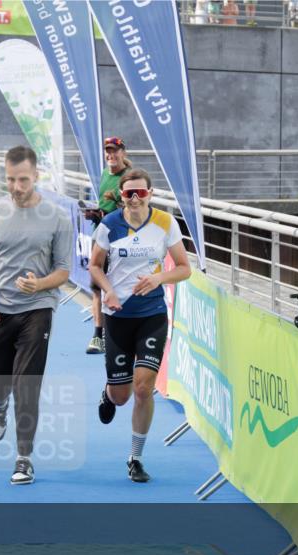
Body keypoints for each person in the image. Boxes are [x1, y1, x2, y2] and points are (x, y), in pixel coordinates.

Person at [0, 146, 73, 485]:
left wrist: (39, 284)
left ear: (36, 176)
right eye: (10, 179)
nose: (16, 186)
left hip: (37, 308)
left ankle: (24, 458)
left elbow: (63, 271)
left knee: (27, 385)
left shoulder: (58, 217)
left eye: (23, 180)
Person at [91, 168, 191, 483]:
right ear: (121, 196)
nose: (135, 199)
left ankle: (135, 458)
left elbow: (185, 268)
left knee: (144, 388)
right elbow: (94, 266)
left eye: (141, 193)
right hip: (118, 316)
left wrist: (159, 278)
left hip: (152, 314)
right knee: (121, 396)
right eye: (128, 193)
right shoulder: (109, 225)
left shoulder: (165, 223)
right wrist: (108, 291)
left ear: (150, 194)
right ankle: (108, 394)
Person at [83, 137, 132, 355]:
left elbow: (136, 208)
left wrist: (118, 203)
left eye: (115, 151)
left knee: (120, 286)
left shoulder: (129, 177)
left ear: (123, 152)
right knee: (96, 287)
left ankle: (122, 336)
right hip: (100, 234)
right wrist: (97, 213)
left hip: (120, 239)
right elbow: (106, 207)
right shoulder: (105, 174)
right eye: (108, 151)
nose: (111, 155)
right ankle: (97, 336)